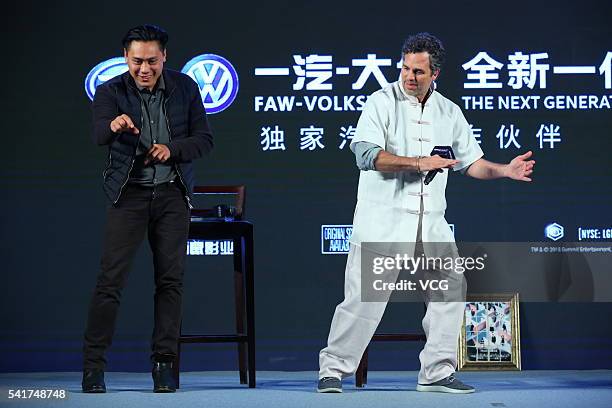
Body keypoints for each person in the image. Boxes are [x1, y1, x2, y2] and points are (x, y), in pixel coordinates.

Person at [317, 32, 534, 394]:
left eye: (418, 71)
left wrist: (503, 170)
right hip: (382, 222)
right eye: (405, 68)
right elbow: (366, 155)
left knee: (450, 290)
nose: (409, 77)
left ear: (435, 74)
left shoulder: (449, 111)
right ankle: (332, 370)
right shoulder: (380, 102)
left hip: (430, 224)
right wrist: (418, 162)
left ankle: (436, 371)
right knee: (362, 300)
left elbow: (471, 163)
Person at [82, 24, 213, 393]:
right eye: (137, 61)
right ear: (126, 58)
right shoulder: (110, 92)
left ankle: (164, 365)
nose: (144, 69)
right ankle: (93, 367)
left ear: (164, 57)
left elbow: (204, 140)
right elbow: (98, 135)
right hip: (128, 195)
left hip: (172, 194)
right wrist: (114, 124)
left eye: (152, 61)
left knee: (170, 282)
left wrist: (173, 149)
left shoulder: (185, 88)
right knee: (110, 282)